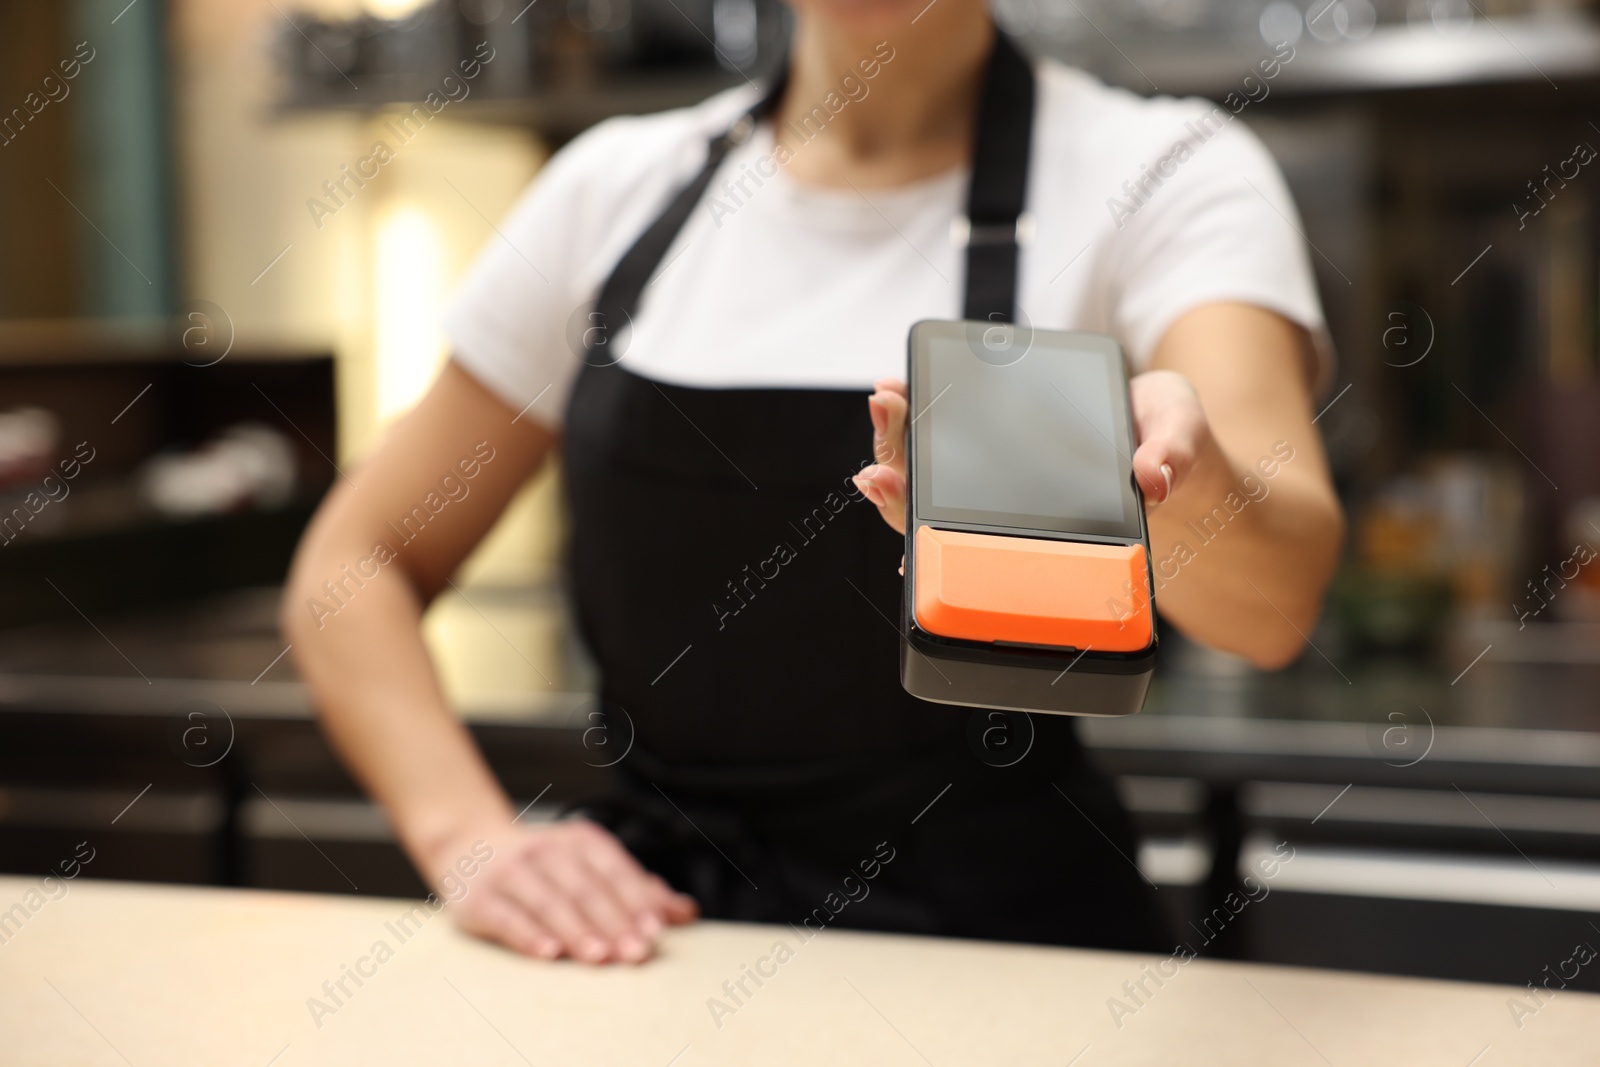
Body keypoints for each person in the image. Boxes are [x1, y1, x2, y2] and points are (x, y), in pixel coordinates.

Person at [283, 0, 1343, 965]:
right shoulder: (611, 189)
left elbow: (1272, 603)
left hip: (1006, 956)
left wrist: (1181, 487)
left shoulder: (1163, 170)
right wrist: (469, 839)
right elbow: (354, 558)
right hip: (653, 942)